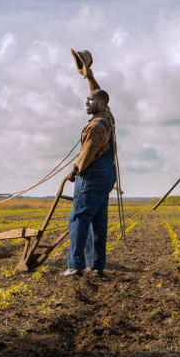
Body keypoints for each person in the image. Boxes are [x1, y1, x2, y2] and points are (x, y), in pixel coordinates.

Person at [61, 51, 116, 278]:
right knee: (98, 220)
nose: (87, 101)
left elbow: (86, 155)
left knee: (78, 217)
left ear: (101, 103)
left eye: (91, 100)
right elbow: (99, 93)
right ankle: (96, 265)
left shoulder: (95, 126)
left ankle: (75, 264)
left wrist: (73, 172)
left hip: (91, 176)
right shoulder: (108, 117)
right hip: (106, 176)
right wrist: (88, 76)